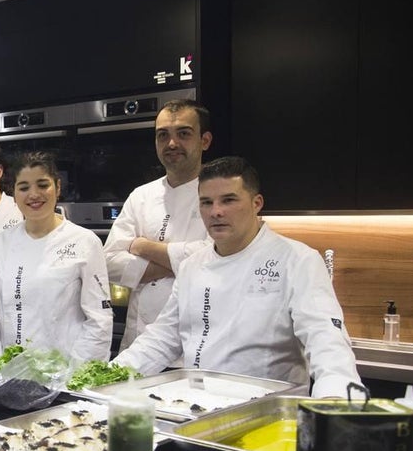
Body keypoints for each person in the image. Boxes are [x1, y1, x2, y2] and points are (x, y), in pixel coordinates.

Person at [113, 157, 360, 397]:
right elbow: (163, 338)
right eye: (206, 202)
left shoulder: (297, 260)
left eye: (228, 200)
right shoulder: (192, 266)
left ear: (257, 203)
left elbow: (326, 339)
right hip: (196, 407)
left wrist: (336, 401)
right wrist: (108, 376)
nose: (216, 212)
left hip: (268, 415)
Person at [103, 99, 213, 351]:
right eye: (163, 135)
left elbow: (217, 260)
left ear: (204, 141)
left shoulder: (219, 194)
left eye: (183, 134)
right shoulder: (141, 196)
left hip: (193, 348)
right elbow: (109, 262)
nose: (172, 143)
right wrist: (181, 263)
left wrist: (142, 246)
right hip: (138, 344)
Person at [0, 153, 112, 362]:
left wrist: (74, 373)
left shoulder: (84, 242)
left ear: (58, 187)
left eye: (43, 185)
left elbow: (99, 320)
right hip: (10, 372)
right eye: (24, 187)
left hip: (65, 373)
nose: (34, 194)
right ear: (14, 193)